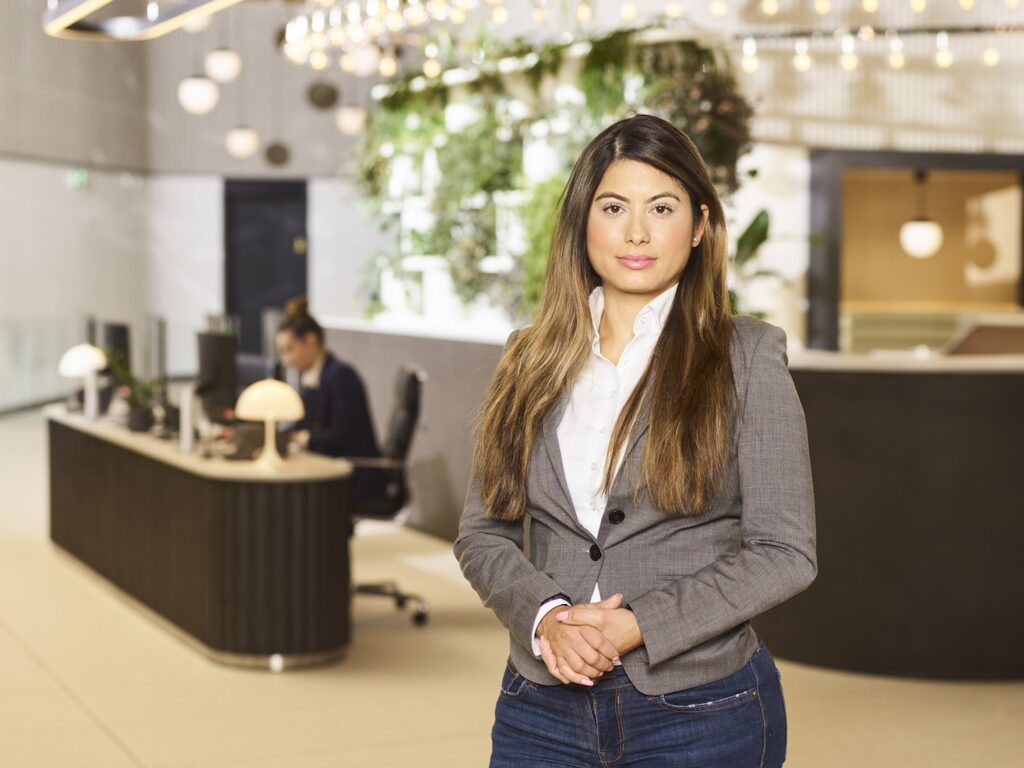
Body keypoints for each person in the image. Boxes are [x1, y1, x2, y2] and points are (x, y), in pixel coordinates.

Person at [453, 114, 817, 767]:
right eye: (614, 207)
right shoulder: (527, 357)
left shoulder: (747, 357)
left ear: (700, 225)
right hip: (540, 706)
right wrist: (546, 617)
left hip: (701, 712)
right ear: (582, 223)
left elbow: (784, 550)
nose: (637, 232)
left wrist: (635, 623)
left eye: (663, 207)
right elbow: (484, 532)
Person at [276, 297, 385, 504]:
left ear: (311, 340)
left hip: (355, 477)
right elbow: (304, 423)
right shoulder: (313, 378)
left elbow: (340, 436)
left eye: (289, 349)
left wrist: (302, 438)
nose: (286, 359)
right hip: (333, 470)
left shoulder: (340, 376)